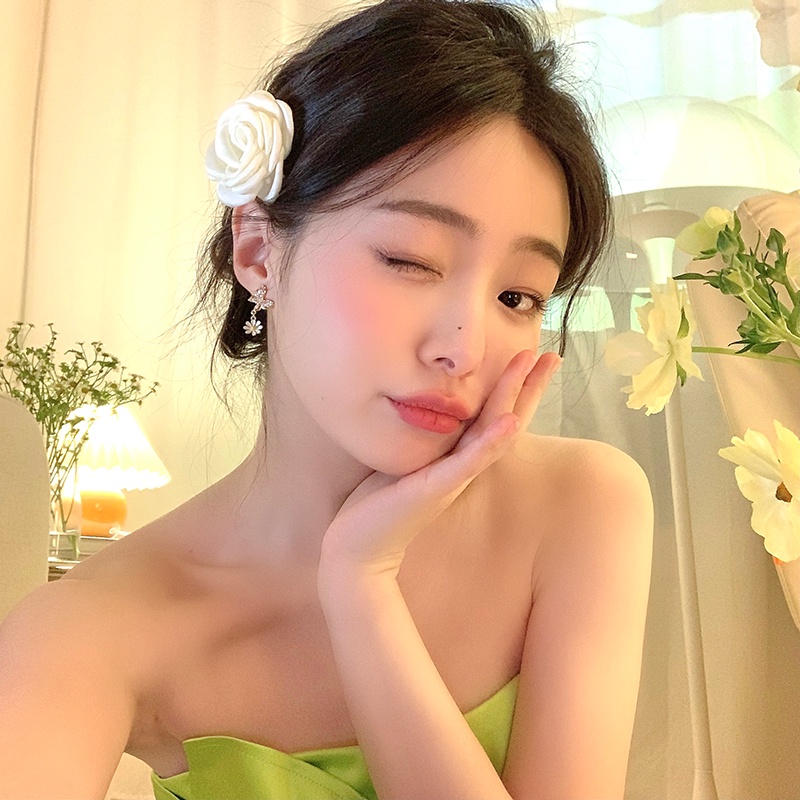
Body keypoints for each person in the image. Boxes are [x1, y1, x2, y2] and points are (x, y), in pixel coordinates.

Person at [0, 1, 653, 798]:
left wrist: (361, 585)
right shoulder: (93, 628)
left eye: (517, 296)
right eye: (410, 260)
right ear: (258, 252)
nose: (465, 347)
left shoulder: (581, 506)